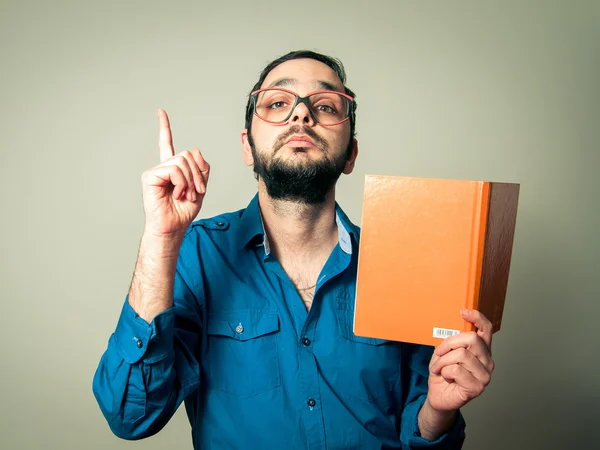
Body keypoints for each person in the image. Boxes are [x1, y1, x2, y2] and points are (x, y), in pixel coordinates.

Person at [92, 50, 495, 449]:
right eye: (279, 103)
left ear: (351, 154)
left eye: (324, 106)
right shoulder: (196, 252)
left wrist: (437, 413)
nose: (301, 115)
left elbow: (420, 431)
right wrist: (160, 240)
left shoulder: (403, 261)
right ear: (247, 146)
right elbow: (131, 415)